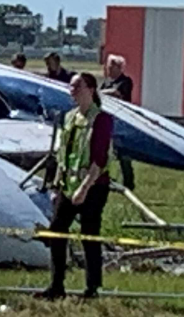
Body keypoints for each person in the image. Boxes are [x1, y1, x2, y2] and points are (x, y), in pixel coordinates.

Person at [36, 72, 113, 301]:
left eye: (77, 86)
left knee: (89, 234)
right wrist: (56, 187)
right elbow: (62, 154)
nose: (72, 91)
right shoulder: (69, 117)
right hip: (67, 186)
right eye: (70, 87)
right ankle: (56, 285)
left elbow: (99, 159)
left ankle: (92, 288)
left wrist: (85, 188)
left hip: (93, 186)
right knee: (57, 230)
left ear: (91, 89)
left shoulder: (101, 120)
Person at [100, 54, 135, 191]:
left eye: (110, 67)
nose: (107, 69)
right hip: (107, 120)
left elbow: (116, 93)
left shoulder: (125, 81)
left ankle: (129, 182)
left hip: (121, 122)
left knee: (123, 153)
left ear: (118, 67)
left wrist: (98, 93)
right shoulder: (106, 82)